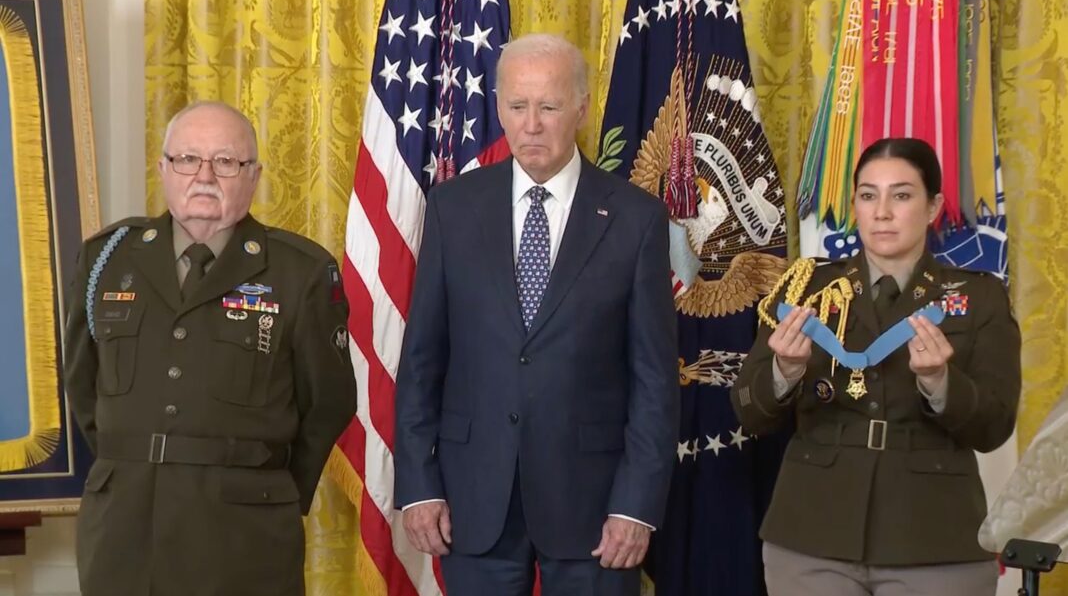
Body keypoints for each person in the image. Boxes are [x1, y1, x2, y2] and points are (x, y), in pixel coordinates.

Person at [393, 33, 679, 596]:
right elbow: (423, 360)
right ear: (498, 105)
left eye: (548, 107)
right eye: (517, 106)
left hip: (596, 508)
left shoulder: (636, 219)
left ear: (580, 107)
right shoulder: (453, 207)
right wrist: (420, 485)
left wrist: (637, 504)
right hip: (473, 500)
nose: (531, 125)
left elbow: (654, 379)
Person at [63, 101, 357, 596]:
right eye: (187, 160)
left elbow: (327, 403)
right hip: (124, 532)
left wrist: (270, 492)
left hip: (244, 535)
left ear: (254, 175)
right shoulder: (106, 258)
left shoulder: (299, 271)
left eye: (225, 162)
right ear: (163, 169)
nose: (204, 176)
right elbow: (82, 386)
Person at [730, 137, 1021, 596]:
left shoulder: (979, 297)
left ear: (933, 207)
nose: (882, 211)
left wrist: (941, 383)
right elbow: (749, 410)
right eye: (868, 195)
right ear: (855, 206)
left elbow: (995, 427)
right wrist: (784, 371)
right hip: (813, 533)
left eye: (901, 195)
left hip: (932, 537)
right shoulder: (807, 289)